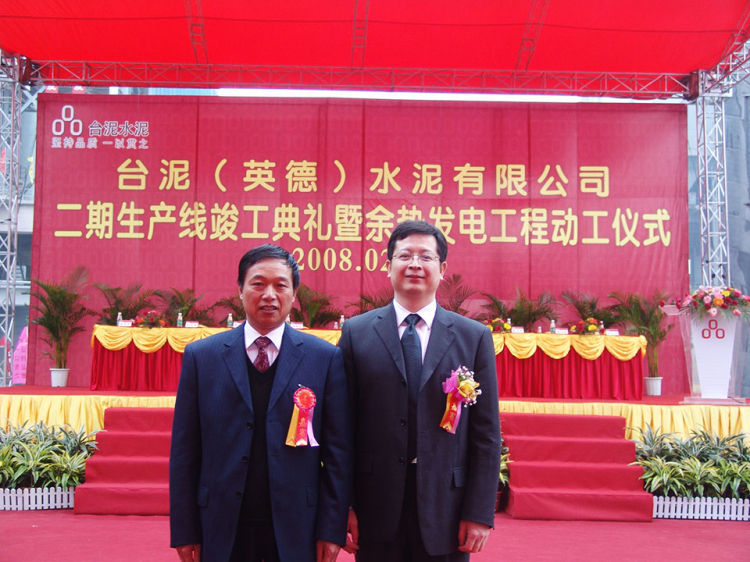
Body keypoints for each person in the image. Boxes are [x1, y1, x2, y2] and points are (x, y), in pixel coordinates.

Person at [170, 244, 353, 562]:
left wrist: (331, 529)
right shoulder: (202, 358)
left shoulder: (324, 358)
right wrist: (186, 531)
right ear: (240, 290)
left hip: (298, 527)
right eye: (258, 283)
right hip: (221, 525)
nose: (269, 294)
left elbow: (337, 455)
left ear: (294, 294)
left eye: (281, 285)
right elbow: (185, 453)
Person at [339, 221, 501, 562]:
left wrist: (479, 512)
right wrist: (345, 505)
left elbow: (485, 434)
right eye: (405, 256)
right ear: (388, 266)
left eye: (425, 256)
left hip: (448, 509)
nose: (414, 264)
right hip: (375, 506)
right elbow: (342, 428)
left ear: (442, 269)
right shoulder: (357, 333)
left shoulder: (473, 337)